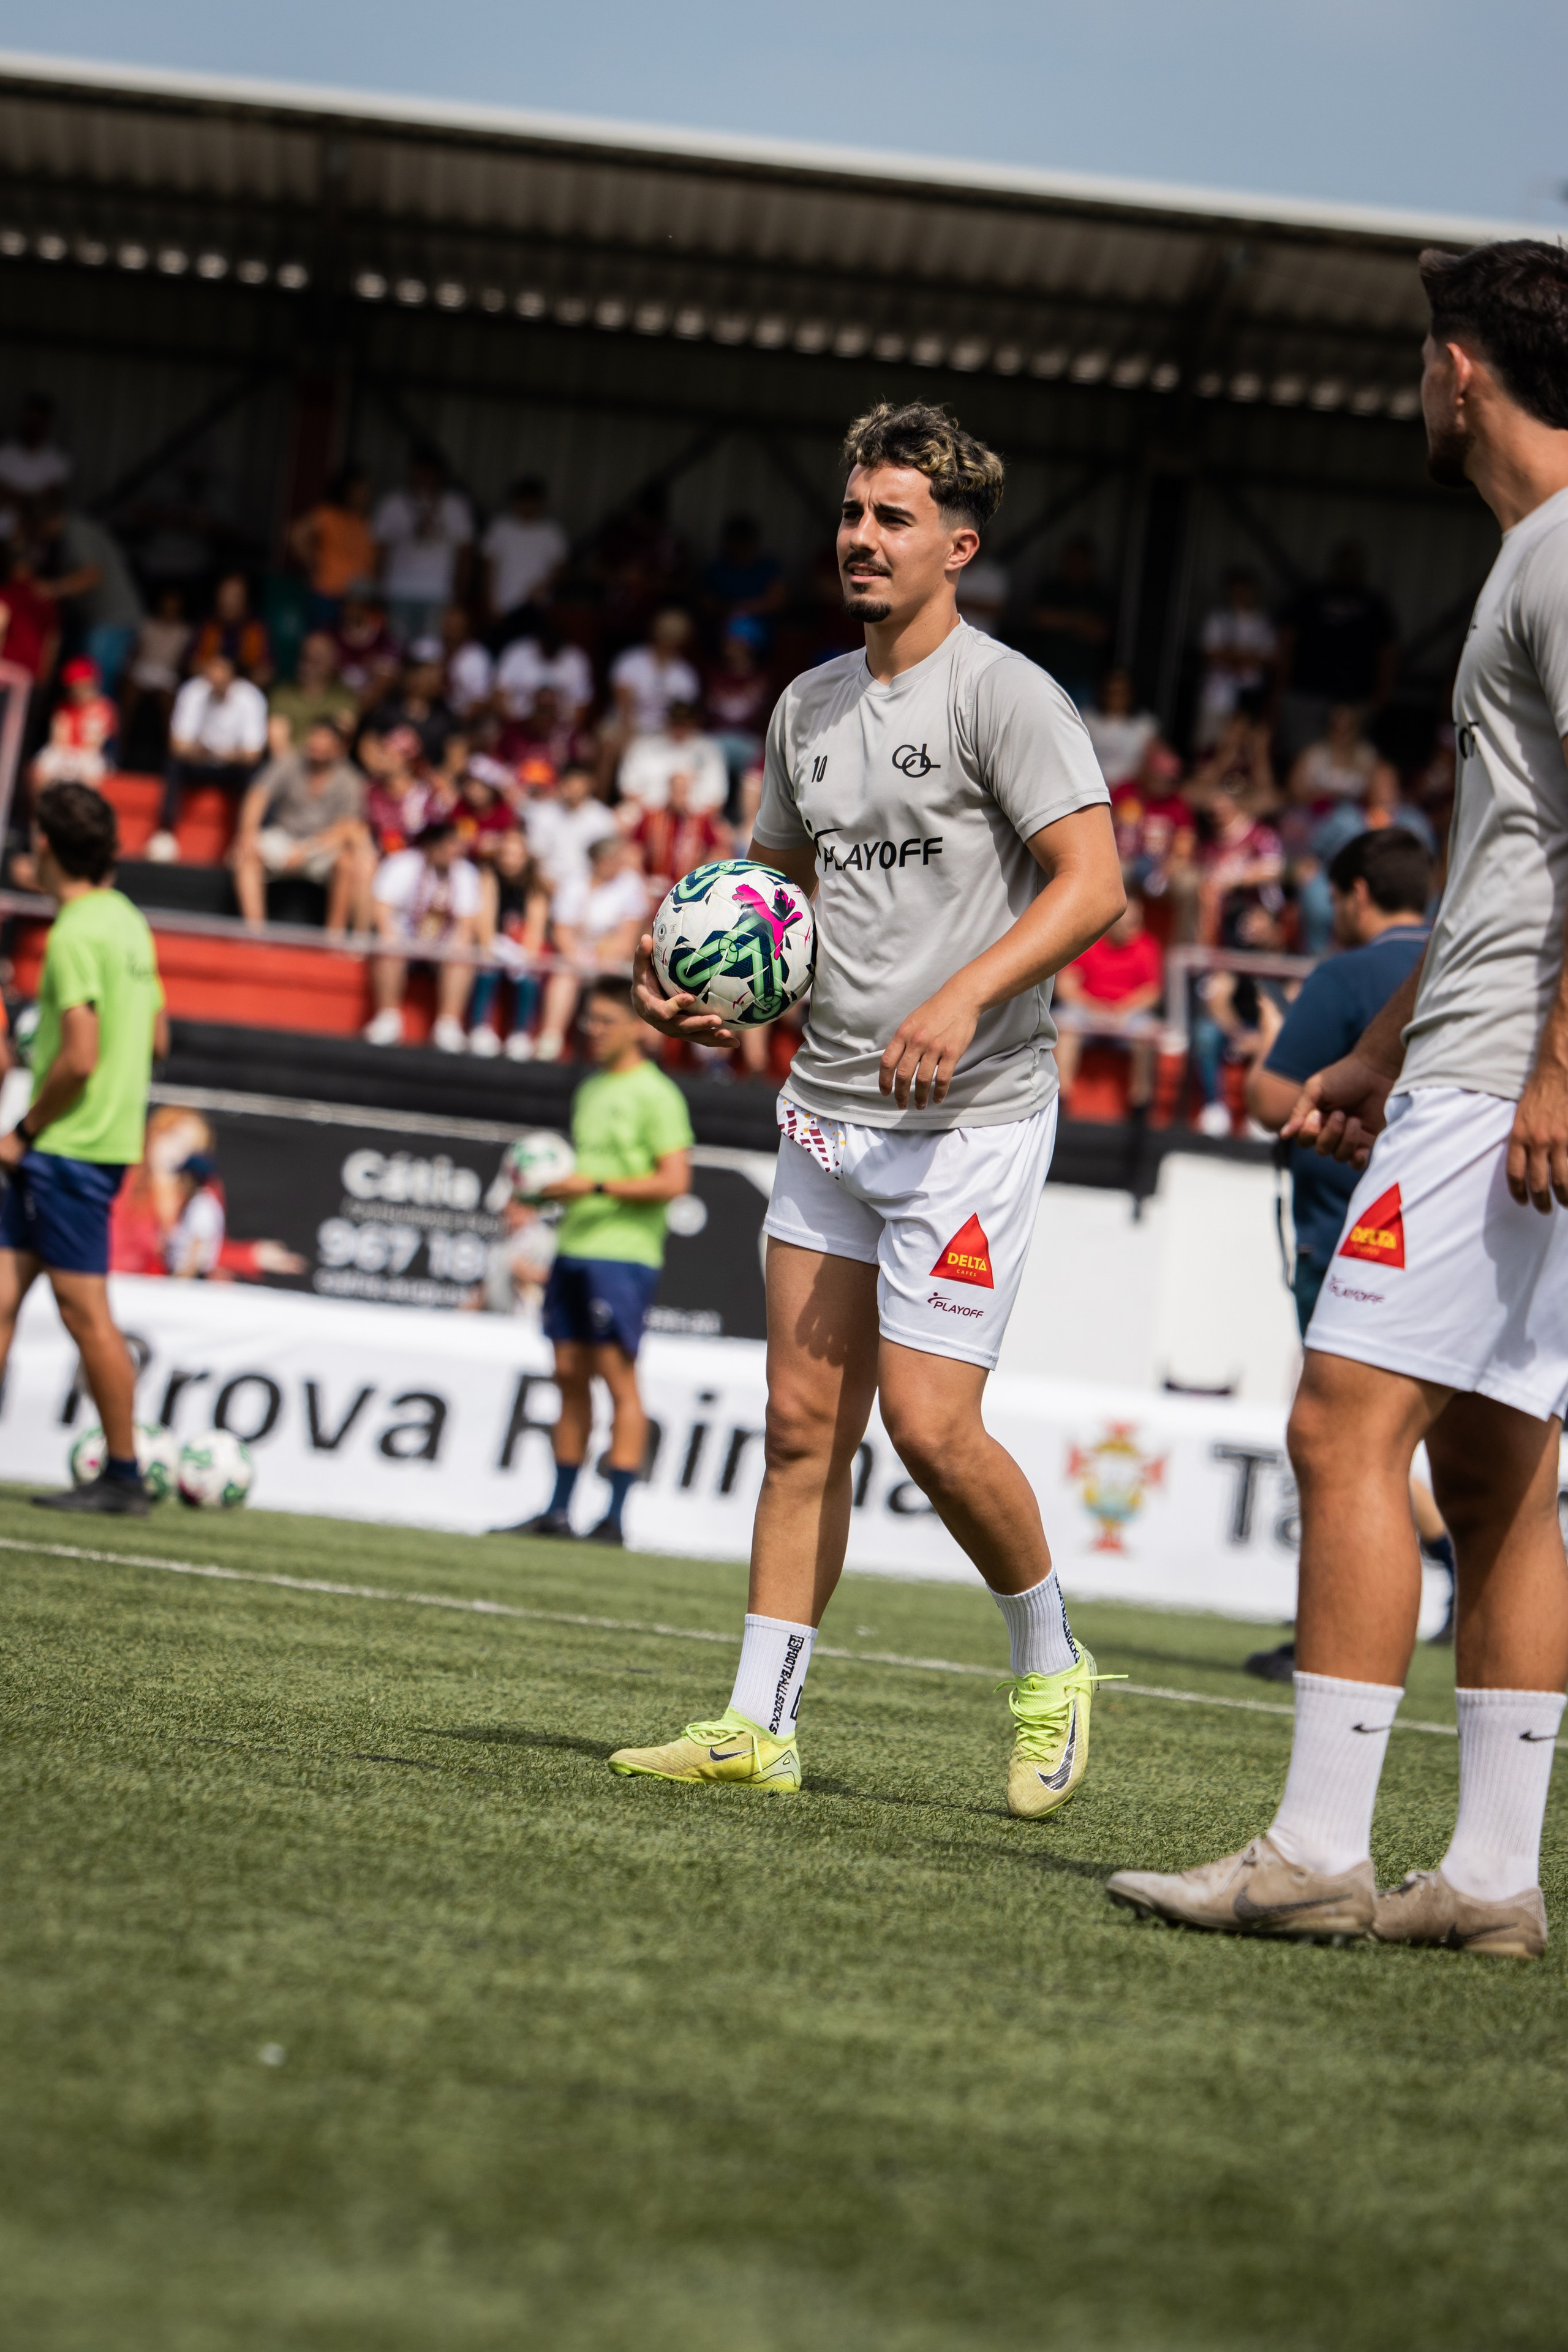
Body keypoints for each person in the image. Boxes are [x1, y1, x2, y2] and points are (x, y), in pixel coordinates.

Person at [1107, 238, 1568, 1959]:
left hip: (1517, 1075)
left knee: (1340, 1425)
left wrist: (1546, 1067)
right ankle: (1496, 1883)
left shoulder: (1559, 551)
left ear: (1461, 370)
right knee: (1506, 1468)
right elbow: (1518, 854)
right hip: (1472, 1059)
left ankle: (1313, 1849)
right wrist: (1377, 1056)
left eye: (1417, 363)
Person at [614, 399, 1121, 1808]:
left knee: (932, 1430)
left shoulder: (1003, 696)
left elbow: (1094, 886)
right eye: (848, 513)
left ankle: (1048, 1655)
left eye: (890, 518)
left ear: (955, 545)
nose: (858, 537)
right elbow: (773, 893)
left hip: (970, 1119)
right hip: (827, 1108)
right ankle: (755, 1724)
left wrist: (958, 996)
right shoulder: (804, 706)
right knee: (796, 1426)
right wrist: (731, 992)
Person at [1241, 826, 1445, 1681]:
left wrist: (1272, 1050)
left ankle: (1326, 1635)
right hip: (1452, 1228)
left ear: (1357, 894)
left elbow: (1269, 1099)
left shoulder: (1349, 976)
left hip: (1348, 1235)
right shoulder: (1463, 956)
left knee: (1338, 1438)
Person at [0, 782, 167, 1515]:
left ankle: (125, 1474)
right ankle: (124, 1471)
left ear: (47, 847)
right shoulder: (128, 921)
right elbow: (157, 1035)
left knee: (85, 1309)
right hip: (103, 1139)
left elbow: (78, 1057)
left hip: (67, 1146)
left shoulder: (72, 932)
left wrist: (25, 1132)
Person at [499, 975, 694, 1545]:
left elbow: (674, 1181)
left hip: (624, 1255)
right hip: (574, 1248)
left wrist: (597, 1187)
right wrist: (544, 1191)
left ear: (639, 1026)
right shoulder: (589, 1089)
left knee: (619, 1382)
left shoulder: (658, 1094)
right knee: (566, 1376)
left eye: (607, 1021)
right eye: (590, 1020)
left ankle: (613, 1519)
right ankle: (557, 1511)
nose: (595, 1030)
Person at [232, 717, 371, 933]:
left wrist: (307, 851)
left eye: (324, 741)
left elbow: (347, 828)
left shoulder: (350, 779)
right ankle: (254, 933)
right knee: (245, 853)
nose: (317, 745)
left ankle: (335, 937)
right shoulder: (289, 762)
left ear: (338, 748)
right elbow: (258, 795)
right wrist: (247, 833)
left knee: (348, 862)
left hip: (322, 846)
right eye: (315, 738)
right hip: (284, 837)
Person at [366, 817, 481, 1050]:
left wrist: (457, 946)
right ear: (431, 845)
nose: (453, 852)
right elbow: (381, 908)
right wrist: (390, 937)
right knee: (388, 948)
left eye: (456, 846)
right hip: (404, 938)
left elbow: (466, 924)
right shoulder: (402, 864)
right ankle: (388, 1018)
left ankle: (448, 1024)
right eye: (448, 846)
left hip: (442, 944)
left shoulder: (466, 873)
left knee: (463, 955)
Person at [1276, 541, 1398, 760]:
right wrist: (1280, 687)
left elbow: (1387, 653)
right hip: (1307, 692)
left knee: (1348, 759)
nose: (1348, 568)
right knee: (1301, 755)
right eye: (1344, 562)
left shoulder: (1374, 604)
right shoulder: (1311, 597)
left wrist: (1382, 695)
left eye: (1354, 563)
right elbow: (1286, 642)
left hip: (1356, 698)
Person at [534, 832, 648, 1061]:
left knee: (611, 979)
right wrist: (577, 958)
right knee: (564, 977)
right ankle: (550, 1040)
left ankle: (617, 1048)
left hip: (614, 959)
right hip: (577, 956)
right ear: (598, 861)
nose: (618, 864)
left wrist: (602, 957)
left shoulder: (631, 883)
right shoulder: (574, 882)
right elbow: (562, 930)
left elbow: (627, 936)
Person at [148, 650, 268, 861]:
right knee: (174, 764)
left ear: (233, 675)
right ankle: (165, 833)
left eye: (221, 670)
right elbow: (177, 746)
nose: (215, 676)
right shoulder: (193, 691)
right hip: (199, 762)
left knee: (256, 774)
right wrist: (200, 752)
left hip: (233, 767)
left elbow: (253, 755)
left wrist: (227, 755)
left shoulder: (251, 697)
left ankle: (243, 841)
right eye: (212, 670)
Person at [1053, 888, 1163, 1112]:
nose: (1133, 925)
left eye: (1136, 919)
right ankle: (1061, 1099)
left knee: (1147, 1033)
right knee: (1065, 1025)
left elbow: (1152, 993)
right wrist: (1096, 1008)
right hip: (1088, 1013)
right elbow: (1065, 987)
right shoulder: (1088, 940)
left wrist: (1121, 1011)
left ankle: (1140, 1105)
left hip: (1127, 1017)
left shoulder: (1147, 946)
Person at [36, 497, 143, 693]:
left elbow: (91, 575)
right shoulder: (70, 534)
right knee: (86, 680)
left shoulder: (76, 532)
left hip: (112, 619)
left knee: (93, 685)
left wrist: (53, 589)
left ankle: (98, 725)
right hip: (99, 619)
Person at [374, 450, 474, 644]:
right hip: (398, 590)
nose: (424, 478)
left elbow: (466, 555)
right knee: (395, 647)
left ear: (440, 475)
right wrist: (378, 589)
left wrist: (460, 594)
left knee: (430, 649)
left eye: (430, 473)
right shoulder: (394, 504)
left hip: (438, 592)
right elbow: (380, 551)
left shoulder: (455, 506)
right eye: (420, 472)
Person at [1025, 533, 1114, 707]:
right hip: (1046, 672)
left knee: (1077, 727)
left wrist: (1061, 619)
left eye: (1081, 561)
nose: (1076, 566)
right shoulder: (1052, 588)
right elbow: (1039, 618)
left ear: (1090, 564)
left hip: (1083, 678)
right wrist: (1079, 620)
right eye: (1072, 560)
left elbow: (1101, 633)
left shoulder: (1099, 595)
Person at [1194, 568, 1279, 747]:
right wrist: (1246, 656)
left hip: (1249, 695)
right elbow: (1209, 653)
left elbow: (1269, 659)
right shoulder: (1218, 617)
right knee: (1208, 744)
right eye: (1237, 591)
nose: (1241, 595)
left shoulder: (1263, 622)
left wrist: (1231, 654)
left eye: (1246, 590)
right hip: (1217, 695)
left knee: (1243, 745)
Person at [285, 467, 377, 627]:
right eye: (360, 489)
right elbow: (296, 535)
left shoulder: (365, 521)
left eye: (366, 490)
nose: (364, 494)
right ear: (347, 490)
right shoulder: (328, 515)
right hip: (328, 592)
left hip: (358, 599)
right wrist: (313, 563)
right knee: (323, 641)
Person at [482, 475, 568, 638]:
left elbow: (561, 569)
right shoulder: (501, 528)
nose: (527, 506)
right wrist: (489, 604)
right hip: (503, 608)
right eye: (523, 501)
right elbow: (488, 567)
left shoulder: (551, 532)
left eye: (531, 501)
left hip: (536, 609)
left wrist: (545, 585)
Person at [616, 698, 728, 815]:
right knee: (623, 816)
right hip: (648, 813)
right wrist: (660, 814)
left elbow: (717, 799)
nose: (679, 728)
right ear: (667, 721)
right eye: (676, 722)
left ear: (694, 723)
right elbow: (629, 790)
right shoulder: (643, 747)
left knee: (722, 829)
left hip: (694, 815)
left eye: (684, 723)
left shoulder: (709, 750)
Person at [29, 658, 118, 791]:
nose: (77, 691)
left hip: (89, 753)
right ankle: (41, 808)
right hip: (64, 751)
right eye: (73, 687)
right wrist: (66, 760)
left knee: (92, 772)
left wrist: (76, 762)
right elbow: (57, 739)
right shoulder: (63, 708)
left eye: (81, 686)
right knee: (42, 767)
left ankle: (85, 809)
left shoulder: (104, 708)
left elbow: (94, 743)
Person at [267, 631, 357, 753]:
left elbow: (342, 743)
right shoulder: (283, 694)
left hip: (329, 766)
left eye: (318, 657)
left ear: (332, 661)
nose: (310, 662)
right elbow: (279, 747)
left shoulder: (343, 697)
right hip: (290, 765)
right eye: (305, 656)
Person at [190, 572, 272, 687]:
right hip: (210, 687)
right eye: (224, 595)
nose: (228, 601)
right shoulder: (208, 627)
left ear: (246, 600)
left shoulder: (256, 629)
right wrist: (216, 673)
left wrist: (236, 683)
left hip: (244, 691)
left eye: (235, 596)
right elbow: (193, 666)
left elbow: (266, 672)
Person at [1084, 667, 1158, 789]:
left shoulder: (1144, 724)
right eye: (1112, 692)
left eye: (1122, 693)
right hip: (1092, 786)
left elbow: (1152, 761)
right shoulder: (1088, 719)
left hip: (1130, 791)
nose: (1116, 698)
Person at [164, 1151, 225, 1278]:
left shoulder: (203, 1208)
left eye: (183, 1177)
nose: (179, 1181)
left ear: (191, 1179)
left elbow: (196, 1251)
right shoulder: (195, 1204)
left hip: (191, 1278)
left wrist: (180, 1283)